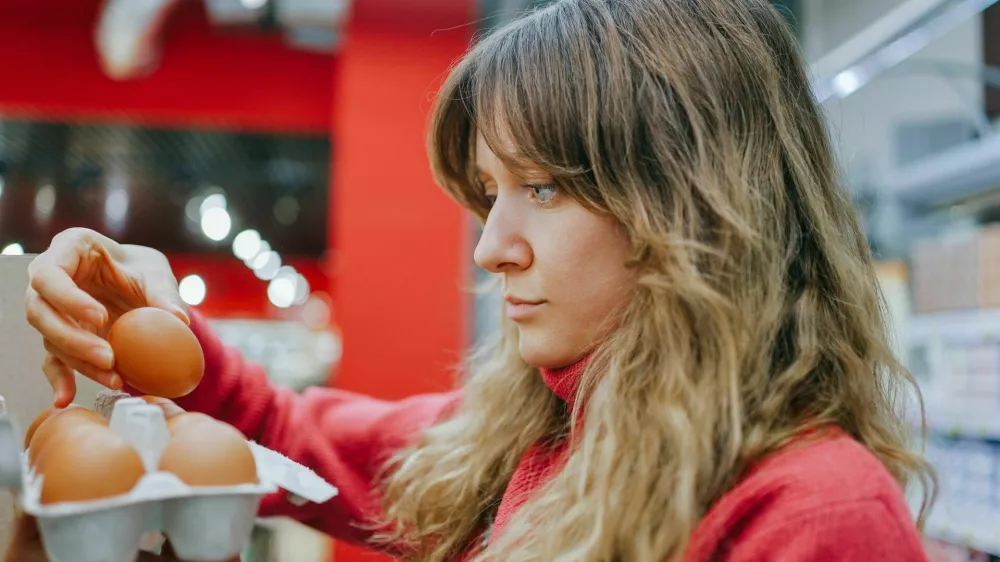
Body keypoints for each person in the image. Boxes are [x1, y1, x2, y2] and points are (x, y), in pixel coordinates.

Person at [12, 0, 935, 560]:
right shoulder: (524, 440)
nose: (493, 246)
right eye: (492, 193)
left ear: (695, 204)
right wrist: (147, 315)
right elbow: (287, 439)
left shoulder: (813, 514)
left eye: (542, 187)